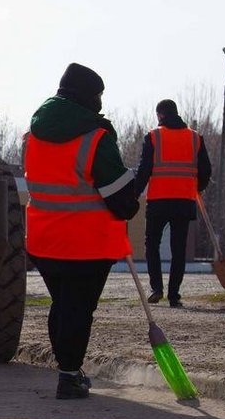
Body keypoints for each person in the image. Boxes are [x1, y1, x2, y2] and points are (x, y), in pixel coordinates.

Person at [23, 63, 140, 400]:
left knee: (62, 305)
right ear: (90, 97)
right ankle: (69, 375)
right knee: (77, 309)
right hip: (86, 244)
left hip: (44, 241)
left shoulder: (33, 135)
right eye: (99, 96)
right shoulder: (96, 137)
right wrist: (130, 201)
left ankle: (67, 369)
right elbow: (120, 198)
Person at [136, 98, 213, 307]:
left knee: (152, 244)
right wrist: (198, 187)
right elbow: (206, 170)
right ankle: (174, 295)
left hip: (158, 201)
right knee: (178, 249)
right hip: (184, 201)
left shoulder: (153, 137)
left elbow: (144, 171)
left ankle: (156, 288)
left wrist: (133, 193)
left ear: (160, 115)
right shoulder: (195, 138)